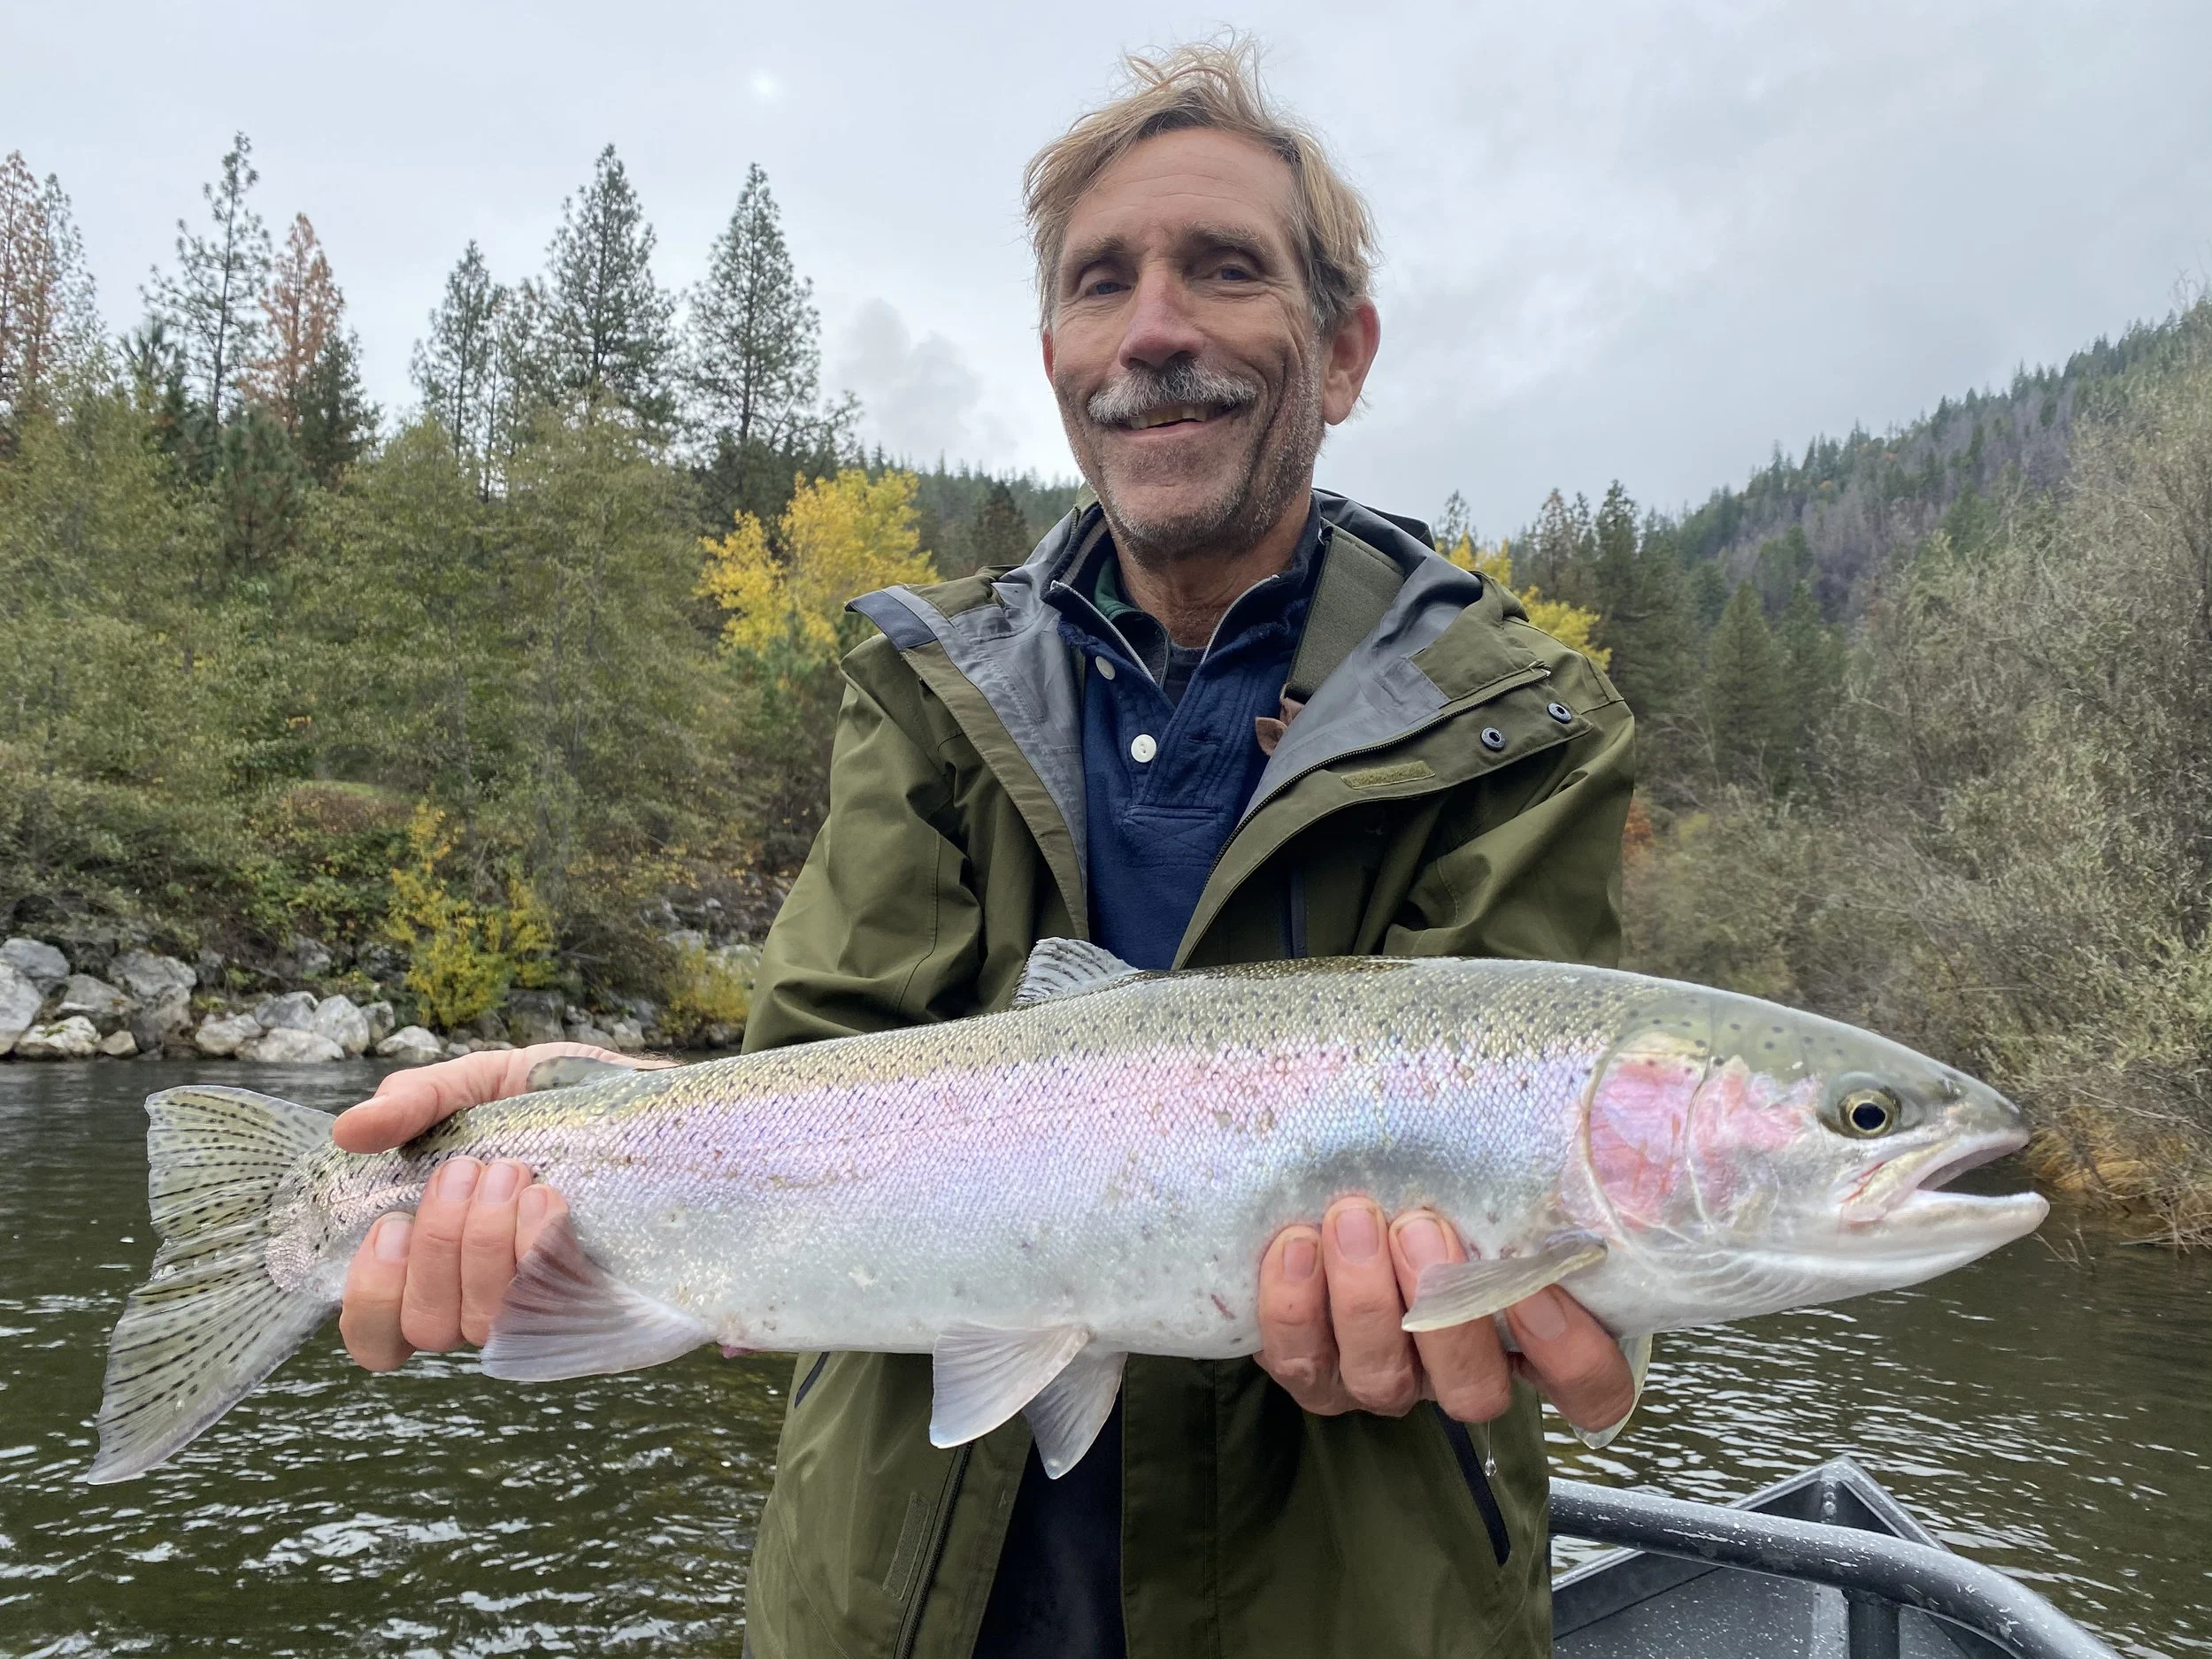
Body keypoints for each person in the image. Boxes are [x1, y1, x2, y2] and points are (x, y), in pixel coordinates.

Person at [332, 42, 1640, 1659]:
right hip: (896, 1598)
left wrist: (1546, 1308)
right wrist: (604, 1123)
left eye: (1223, 269)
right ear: (1056, 355)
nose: (1153, 327)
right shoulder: (925, 690)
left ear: (1344, 348)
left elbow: (1531, 1205)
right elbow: (826, 1078)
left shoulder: (1524, 725)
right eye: (1105, 284)